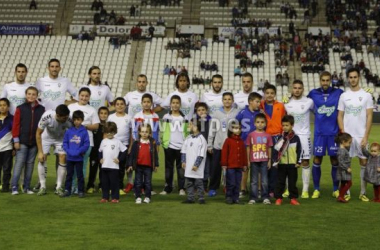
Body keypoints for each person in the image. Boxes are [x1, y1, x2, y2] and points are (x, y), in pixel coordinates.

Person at [305, 71, 343, 199]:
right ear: (320, 81)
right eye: (323, 80)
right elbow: (302, 103)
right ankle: (316, 189)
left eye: (327, 80)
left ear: (330, 80)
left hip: (333, 133)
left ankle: (335, 189)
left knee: (334, 160)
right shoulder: (313, 94)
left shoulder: (338, 93)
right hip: (319, 133)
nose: (325, 83)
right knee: (317, 159)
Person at [338, 68, 373, 202]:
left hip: (361, 135)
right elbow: (340, 115)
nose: (353, 79)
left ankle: (362, 192)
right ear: (348, 79)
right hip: (348, 137)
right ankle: (346, 192)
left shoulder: (366, 96)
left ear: (359, 78)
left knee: (363, 162)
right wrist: (343, 134)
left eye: (355, 77)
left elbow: (369, 116)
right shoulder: (344, 96)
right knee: (345, 164)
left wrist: (366, 136)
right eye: (350, 77)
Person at [11, 87, 45, 195]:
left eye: (33, 94)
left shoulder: (42, 109)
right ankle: (14, 187)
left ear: (37, 95)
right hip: (22, 141)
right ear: (26, 95)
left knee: (30, 165)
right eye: (29, 94)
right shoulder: (20, 108)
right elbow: (15, 125)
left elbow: (43, 127)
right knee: (19, 164)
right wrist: (16, 140)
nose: (31, 96)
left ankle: (26, 187)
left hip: (34, 142)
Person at [284, 80, 314, 198]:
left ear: (303, 89)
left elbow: (318, 113)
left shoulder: (309, 102)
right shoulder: (286, 103)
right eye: (295, 88)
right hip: (290, 137)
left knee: (305, 162)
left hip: (304, 136)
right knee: (289, 163)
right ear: (292, 89)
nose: (297, 90)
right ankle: (288, 189)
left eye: (299, 88)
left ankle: (305, 190)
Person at [68, 87, 100, 194]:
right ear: (78, 95)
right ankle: (72, 186)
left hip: (87, 141)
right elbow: (67, 122)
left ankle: (79, 187)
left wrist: (84, 126)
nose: (84, 98)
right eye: (82, 95)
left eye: (86, 96)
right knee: (72, 165)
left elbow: (96, 126)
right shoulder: (71, 107)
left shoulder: (92, 109)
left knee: (82, 165)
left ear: (89, 97)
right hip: (72, 141)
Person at [208, 92, 239, 197]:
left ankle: (228, 187)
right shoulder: (216, 113)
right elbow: (212, 130)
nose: (227, 101)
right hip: (218, 145)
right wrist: (210, 144)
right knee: (216, 168)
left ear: (233, 100)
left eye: (229, 99)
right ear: (222, 101)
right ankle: (213, 188)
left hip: (232, 147)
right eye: (225, 99)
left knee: (230, 169)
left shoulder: (236, 113)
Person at [35, 104, 71, 196]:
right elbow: (38, 133)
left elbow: (73, 132)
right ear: (57, 115)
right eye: (63, 118)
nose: (65, 120)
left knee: (63, 157)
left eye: (66, 117)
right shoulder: (47, 117)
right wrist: (40, 152)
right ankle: (42, 186)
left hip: (60, 139)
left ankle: (58, 187)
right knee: (42, 158)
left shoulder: (68, 119)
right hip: (46, 138)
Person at [260, 84, 286, 197]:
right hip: (264, 137)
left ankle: (274, 188)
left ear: (275, 94)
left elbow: (284, 121)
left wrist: (283, 136)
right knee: (265, 163)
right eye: (267, 93)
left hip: (277, 137)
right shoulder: (261, 105)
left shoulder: (280, 105)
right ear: (264, 94)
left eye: (272, 93)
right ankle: (264, 188)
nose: (269, 95)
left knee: (275, 164)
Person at [160, 95, 189, 195]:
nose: (175, 105)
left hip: (181, 147)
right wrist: (164, 142)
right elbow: (163, 130)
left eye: (177, 103)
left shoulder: (184, 117)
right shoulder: (166, 117)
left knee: (181, 169)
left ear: (180, 105)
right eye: (173, 103)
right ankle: (168, 187)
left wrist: (186, 144)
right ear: (170, 104)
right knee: (169, 168)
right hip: (169, 146)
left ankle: (181, 188)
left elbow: (187, 132)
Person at [235, 92, 262, 196]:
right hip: (244, 144)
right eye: (257, 101)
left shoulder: (260, 113)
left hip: (257, 144)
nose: (259, 103)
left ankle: (259, 189)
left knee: (258, 167)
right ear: (250, 101)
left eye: (259, 101)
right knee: (245, 167)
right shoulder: (242, 112)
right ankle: (243, 188)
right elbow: (236, 125)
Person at [61, 111, 90, 198]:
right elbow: (65, 143)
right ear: (73, 120)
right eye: (75, 120)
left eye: (79, 120)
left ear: (82, 120)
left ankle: (80, 191)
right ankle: (67, 190)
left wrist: (79, 151)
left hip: (79, 158)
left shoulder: (84, 132)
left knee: (80, 175)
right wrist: (68, 151)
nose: (77, 121)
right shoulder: (69, 131)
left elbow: (86, 144)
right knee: (69, 175)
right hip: (70, 158)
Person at [274, 115, 302, 206]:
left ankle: (293, 198)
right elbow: (276, 150)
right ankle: (278, 198)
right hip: (282, 164)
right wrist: (276, 161)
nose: (285, 127)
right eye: (283, 125)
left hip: (292, 164)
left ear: (292, 125)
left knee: (292, 182)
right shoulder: (280, 138)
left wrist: (298, 162)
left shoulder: (296, 138)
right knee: (280, 182)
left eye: (287, 125)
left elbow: (300, 150)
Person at [128, 124, 159, 204]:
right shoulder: (136, 143)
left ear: (149, 133)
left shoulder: (152, 143)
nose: (144, 133)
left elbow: (155, 154)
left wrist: (156, 165)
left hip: (148, 167)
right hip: (138, 166)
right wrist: (130, 164)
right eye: (142, 132)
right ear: (139, 133)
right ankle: (138, 197)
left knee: (148, 183)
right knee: (138, 182)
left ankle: (147, 197)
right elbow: (132, 155)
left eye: (146, 132)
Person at [107, 98, 132, 194]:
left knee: (121, 168)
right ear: (114, 106)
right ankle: (110, 187)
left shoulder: (129, 118)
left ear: (125, 106)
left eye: (122, 104)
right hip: (112, 145)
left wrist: (130, 147)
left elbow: (131, 134)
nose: (120, 106)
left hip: (124, 146)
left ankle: (119, 187)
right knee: (111, 167)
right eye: (117, 104)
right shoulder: (111, 117)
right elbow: (106, 132)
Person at [246, 113, 273, 205]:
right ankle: (253, 197)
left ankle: (265, 197)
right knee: (254, 181)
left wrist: (269, 160)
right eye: (258, 122)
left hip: (264, 160)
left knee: (264, 180)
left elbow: (269, 148)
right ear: (254, 123)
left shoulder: (268, 136)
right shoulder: (251, 135)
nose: (260, 124)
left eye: (262, 122)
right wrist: (248, 160)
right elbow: (248, 147)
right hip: (254, 160)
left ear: (265, 124)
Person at [99, 122, 127, 203]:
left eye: (111, 132)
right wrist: (100, 158)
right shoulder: (103, 141)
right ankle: (105, 197)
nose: (109, 134)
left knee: (114, 183)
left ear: (115, 132)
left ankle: (115, 198)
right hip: (104, 166)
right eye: (107, 132)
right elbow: (100, 151)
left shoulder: (117, 142)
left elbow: (124, 151)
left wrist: (119, 159)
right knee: (104, 183)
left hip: (114, 167)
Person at [181, 118, 207, 204]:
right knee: (189, 183)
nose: (189, 126)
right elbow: (184, 150)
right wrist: (183, 161)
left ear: (196, 127)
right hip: (188, 166)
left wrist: (196, 165)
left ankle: (201, 198)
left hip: (197, 167)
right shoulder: (188, 138)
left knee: (199, 183)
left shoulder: (201, 139)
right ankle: (190, 198)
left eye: (190, 124)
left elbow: (201, 154)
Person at [221, 122, 248, 204]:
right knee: (231, 182)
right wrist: (224, 164)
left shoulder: (241, 141)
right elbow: (224, 153)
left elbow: (244, 154)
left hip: (239, 166)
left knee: (237, 183)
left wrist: (244, 164)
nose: (238, 130)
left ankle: (236, 198)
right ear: (231, 129)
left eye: (239, 128)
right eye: (235, 128)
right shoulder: (228, 140)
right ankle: (229, 196)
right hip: (230, 166)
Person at [87, 107, 109, 193]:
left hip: (104, 152)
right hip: (94, 151)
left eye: (105, 113)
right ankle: (90, 185)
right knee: (93, 169)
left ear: (108, 115)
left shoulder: (108, 126)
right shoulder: (95, 125)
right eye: (101, 113)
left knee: (103, 169)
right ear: (98, 114)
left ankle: (102, 185)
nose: (103, 115)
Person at [0, 98, 13, 193]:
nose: (2, 107)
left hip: (7, 148)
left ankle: (5, 186)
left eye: (4, 105)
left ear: (8, 107)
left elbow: (15, 133)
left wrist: (14, 147)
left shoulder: (12, 119)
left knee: (7, 169)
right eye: (0, 105)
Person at [335, 133, 353, 203]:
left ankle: (341, 196)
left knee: (343, 183)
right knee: (349, 183)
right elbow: (341, 161)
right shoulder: (342, 151)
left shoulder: (344, 149)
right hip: (344, 171)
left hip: (343, 170)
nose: (350, 144)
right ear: (343, 142)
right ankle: (341, 196)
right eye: (349, 142)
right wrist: (347, 168)